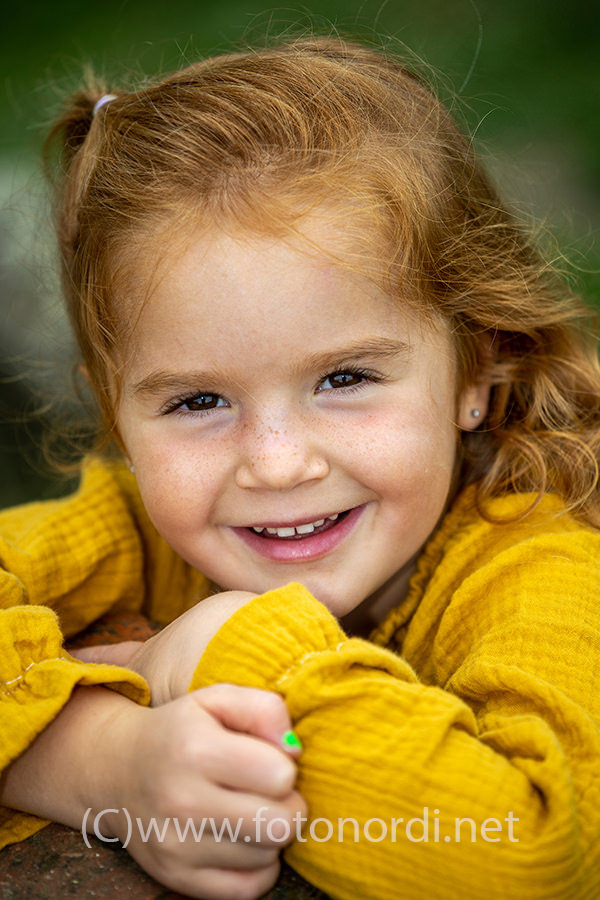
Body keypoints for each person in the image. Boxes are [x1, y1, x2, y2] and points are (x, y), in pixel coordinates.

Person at [0, 35, 599, 900]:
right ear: (115, 414)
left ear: (477, 369)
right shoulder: (131, 530)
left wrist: (224, 649)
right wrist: (98, 763)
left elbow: (528, 853)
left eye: (345, 378)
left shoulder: (541, 566)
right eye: (198, 402)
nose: (277, 466)